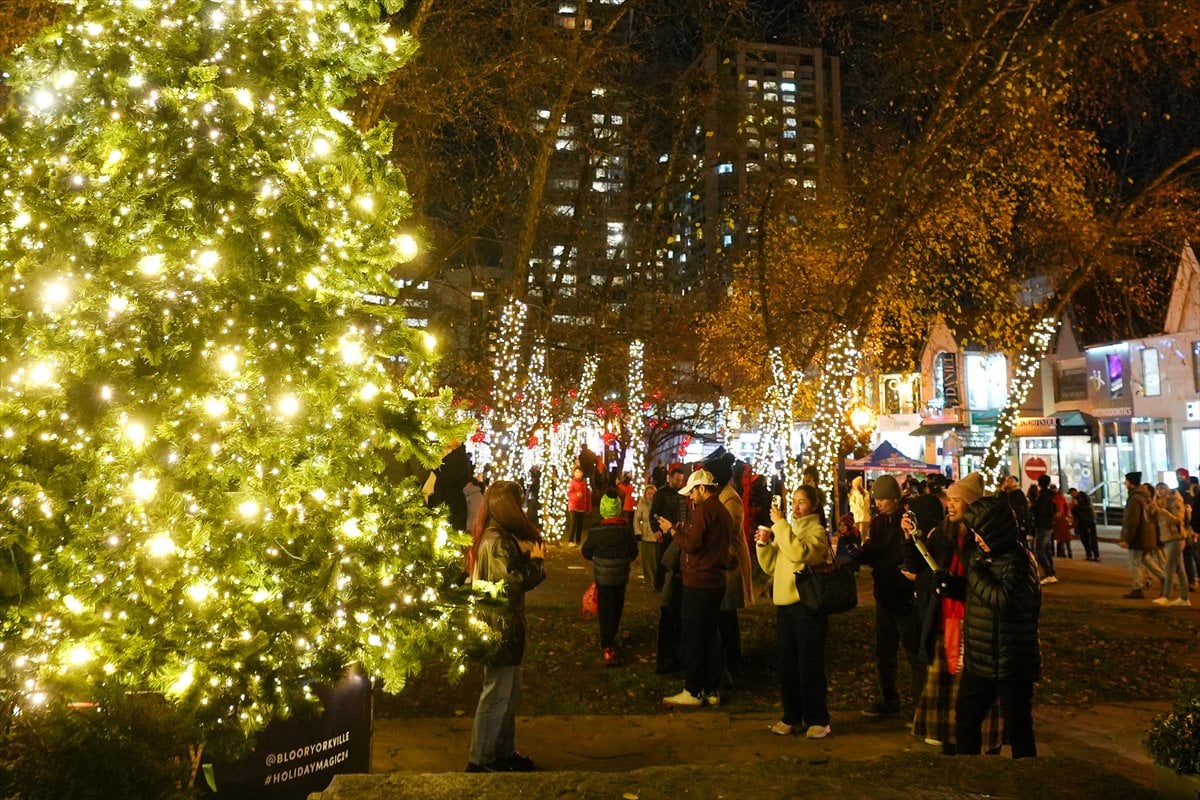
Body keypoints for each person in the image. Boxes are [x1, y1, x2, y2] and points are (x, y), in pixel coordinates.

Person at [907, 472, 1000, 756]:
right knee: (945, 688)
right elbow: (918, 569)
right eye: (950, 498)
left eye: (957, 499)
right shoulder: (943, 532)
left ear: (971, 505)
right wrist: (909, 539)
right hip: (943, 620)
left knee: (972, 691)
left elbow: (981, 582)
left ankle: (981, 743)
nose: (950, 504)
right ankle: (948, 740)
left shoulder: (983, 538)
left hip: (973, 625)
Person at [465, 481, 547, 773]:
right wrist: (536, 563)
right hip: (500, 628)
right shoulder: (497, 539)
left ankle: (502, 752)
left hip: (501, 627)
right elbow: (511, 583)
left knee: (508, 693)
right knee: (497, 693)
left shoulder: (494, 536)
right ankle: (483, 758)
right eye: (518, 502)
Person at [956, 496, 1041, 759]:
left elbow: (1004, 600)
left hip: (1011, 661)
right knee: (966, 718)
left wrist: (973, 575)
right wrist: (951, 585)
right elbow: (978, 594)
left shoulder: (1019, 562)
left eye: (980, 534)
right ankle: (968, 773)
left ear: (995, 531)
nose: (977, 539)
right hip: (980, 658)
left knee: (1018, 727)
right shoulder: (983, 558)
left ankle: (1028, 777)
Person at [756, 484, 833, 739]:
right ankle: (792, 715)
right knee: (786, 663)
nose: (796, 506)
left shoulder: (817, 531)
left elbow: (799, 554)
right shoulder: (788, 529)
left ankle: (818, 718)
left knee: (809, 664)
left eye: (802, 501)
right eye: (795, 501)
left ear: (813, 505)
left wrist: (779, 526)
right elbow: (772, 566)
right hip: (785, 605)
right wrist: (764, 546)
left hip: (807, 605)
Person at [657, 469, 734, 708]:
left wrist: (672, 530)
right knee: (710, 636)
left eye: (692, 491)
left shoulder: (703, 511)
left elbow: (691, 545)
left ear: (702, 488)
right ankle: (712, 688)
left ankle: (692, 688)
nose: (690, 496)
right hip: (715, 580)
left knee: (693, 636)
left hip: (698, 581)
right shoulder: (721, 511)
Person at [857, 473, 922, 717]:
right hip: (884, 592)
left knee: (912, 649)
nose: (879, 503)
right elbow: (875, 549)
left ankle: (919, 705)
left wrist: (874, 552)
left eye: (884, 498)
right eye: (877, 498)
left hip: (903, 594)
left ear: (895, 498)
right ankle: (889, 699)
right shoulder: (878, 522)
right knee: (884, 651)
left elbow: (896, 552)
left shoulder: (905, 520)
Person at [583, 490, 640, 664]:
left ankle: (606, 644)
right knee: (617, 607)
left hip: (603, 578)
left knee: (605, 610)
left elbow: (586, 552)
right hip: (620, 577)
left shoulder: (596, 531)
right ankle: (612, 638)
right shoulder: (625, 530)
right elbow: (634, 552)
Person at [1118, 471, 1163, 599]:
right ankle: (1164, 578)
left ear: (1131, 483)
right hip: (1147, 534)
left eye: (1126, 481)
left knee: (1135, 562)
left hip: (1139, 536)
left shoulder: (1135, 498)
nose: (1125, 483)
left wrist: (1127, 538)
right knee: (1146, 559)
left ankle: (1137, 588)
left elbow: (1133, 520)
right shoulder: (1145, 496)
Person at [649, 467, 690, 591]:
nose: (679, 482)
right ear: (670, 478)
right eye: (677, 480)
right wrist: (656, 529)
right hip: (665, 533)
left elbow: (686, 511)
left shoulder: (683, 494)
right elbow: (653, 513)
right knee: (663, 560)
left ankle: (672, 585)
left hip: (679, 532)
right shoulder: (661, 493)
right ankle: (659, 585)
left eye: (681, 480)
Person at [1151, 482, 1190, 607]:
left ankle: (1166, 596)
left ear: (1168, 489)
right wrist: (1150, 510)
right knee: (1179, 568)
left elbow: (1177, 520)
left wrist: (1161, 510)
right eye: (1158, 489)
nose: (1160, 491)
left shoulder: (1176, 501)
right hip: (1167, 538)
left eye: (1162, 488)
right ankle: (1184, 598)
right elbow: (1154, 521)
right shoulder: (1161, 502)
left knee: (1169, 567)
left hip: (1176, 538)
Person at [1029, 474, 1057, 584]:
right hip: (1048, 525)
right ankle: (1051, 572)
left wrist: (1032, 509)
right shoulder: (1050, 495)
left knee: (1039, 550)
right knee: (1046, 550)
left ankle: (1049, 573)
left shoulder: (1043, 496)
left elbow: (1040, 510)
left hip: (1043, 525)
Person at [634, 483, 660, 589]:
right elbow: (636, 519)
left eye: (653, 494)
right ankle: (649, 579)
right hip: (646, 535)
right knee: (648, 560)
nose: (651, 496)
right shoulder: (641, 505)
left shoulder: (658, 505)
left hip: (657, 536)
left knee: (656, 559)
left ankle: (656, 579)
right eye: (649, 493)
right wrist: (638, 533)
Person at [1069, 487, 1100, 562]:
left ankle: (1096, 555)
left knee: (1092, 538)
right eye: (1071, 494)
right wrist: (1072, 507)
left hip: (1089, 520)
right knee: (1084, 538)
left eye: (1072, 493)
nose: (1072, 495)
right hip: (1081, 522)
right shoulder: (1074, 500)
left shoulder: (1084, 497)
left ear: (1076, 492)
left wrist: (1077, 505)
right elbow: (1075, 512)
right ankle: (1088, 554)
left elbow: (1087, 507)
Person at [567, 466, 591, 547]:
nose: (578, 474)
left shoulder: (584, 483)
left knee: (580, 524)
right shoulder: (572, 482)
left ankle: (578, 540)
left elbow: (587, 495)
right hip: (573, 506)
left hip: (582, 506)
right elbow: (569, 493)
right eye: (576, 472)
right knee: (574, 523)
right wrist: (575, 495)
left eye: (579, 472)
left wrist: (588, 506)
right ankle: (570, 540)